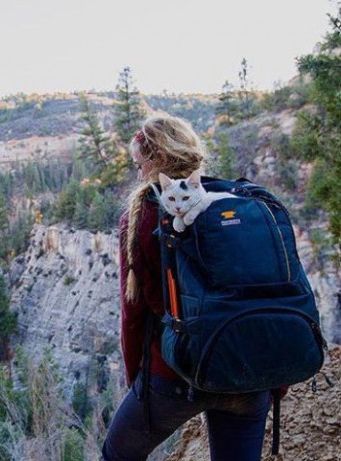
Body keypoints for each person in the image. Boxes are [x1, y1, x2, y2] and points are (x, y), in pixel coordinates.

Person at [101, 115, 272, 461]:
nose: (138, 174)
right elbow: (273, 288)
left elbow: (133, 311)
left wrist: (139, 381)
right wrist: (273, 379)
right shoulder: (241, 200)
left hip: (175, 374)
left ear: (158, 159)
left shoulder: (143, 215)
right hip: (248, 375)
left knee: (116, 456)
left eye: (139, 165)